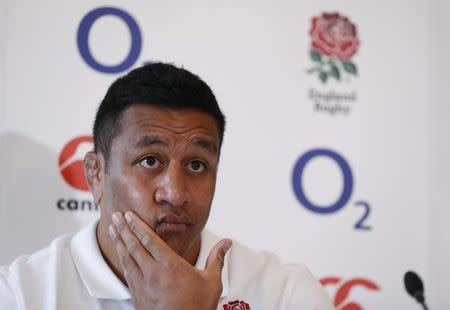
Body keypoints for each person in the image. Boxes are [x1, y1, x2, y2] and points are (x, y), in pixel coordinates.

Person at [0, 62, 334, 309]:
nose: (175, 193)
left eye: (196, 165)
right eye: (149, 161)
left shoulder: (286, 293)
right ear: (96, 174)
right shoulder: (20, 295)